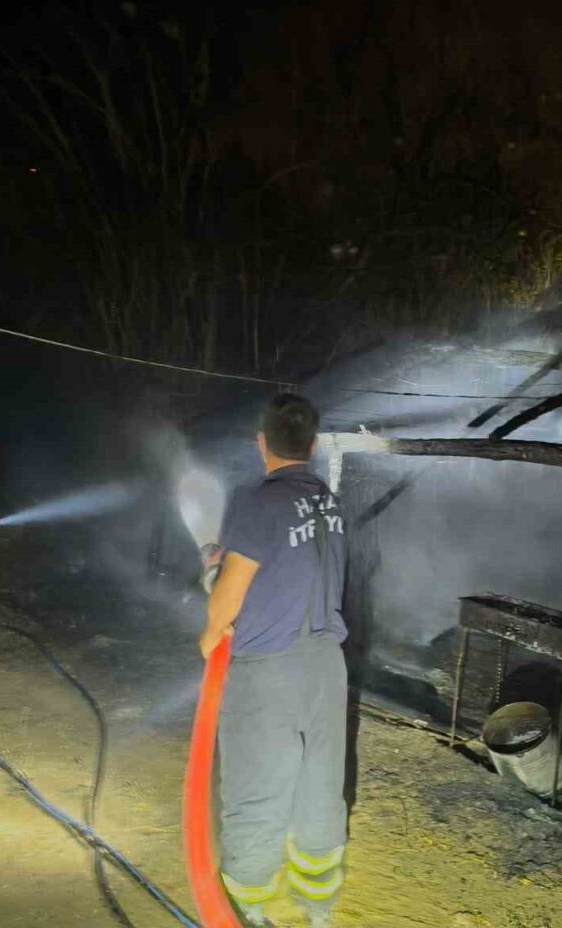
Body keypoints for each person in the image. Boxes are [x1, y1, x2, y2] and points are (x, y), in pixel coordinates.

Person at [199, 393, 348, 928]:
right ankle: (319, 910)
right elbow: (296, 565)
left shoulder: (255, 499)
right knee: (318, 787)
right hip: (327, 667)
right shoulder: (328, 501)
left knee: (255, 790)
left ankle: (250, 911)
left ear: (261, 442)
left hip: (269, 669)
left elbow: (234, 586)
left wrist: (211, 629)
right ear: (311, 445)